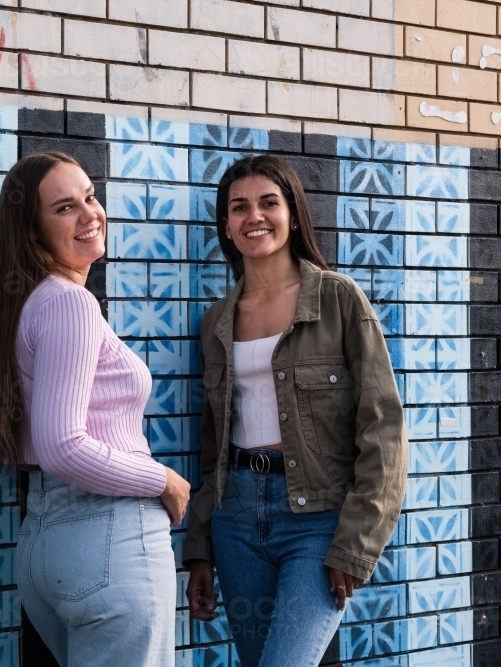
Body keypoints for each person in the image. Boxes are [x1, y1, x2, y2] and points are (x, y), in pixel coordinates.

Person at [183, 155, 408, 667]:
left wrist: (358, 542)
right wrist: (200, 547)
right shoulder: (217, 320)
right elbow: (212, 440)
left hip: (317, 520)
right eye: (239, 207)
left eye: (268, 202)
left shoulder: (339, 300)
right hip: (236, 520)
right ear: (227, 225)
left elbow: (384, 426)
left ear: (293, 212)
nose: (254, 216)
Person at [0, 151, 190, 667]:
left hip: (45, 547)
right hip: (110, 540)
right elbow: (62, 446)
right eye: (64, 208)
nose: (89, 214)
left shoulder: (24, 304)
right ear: (33, 231)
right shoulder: (70, 304)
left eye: (90, 198)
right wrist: (161, 480)